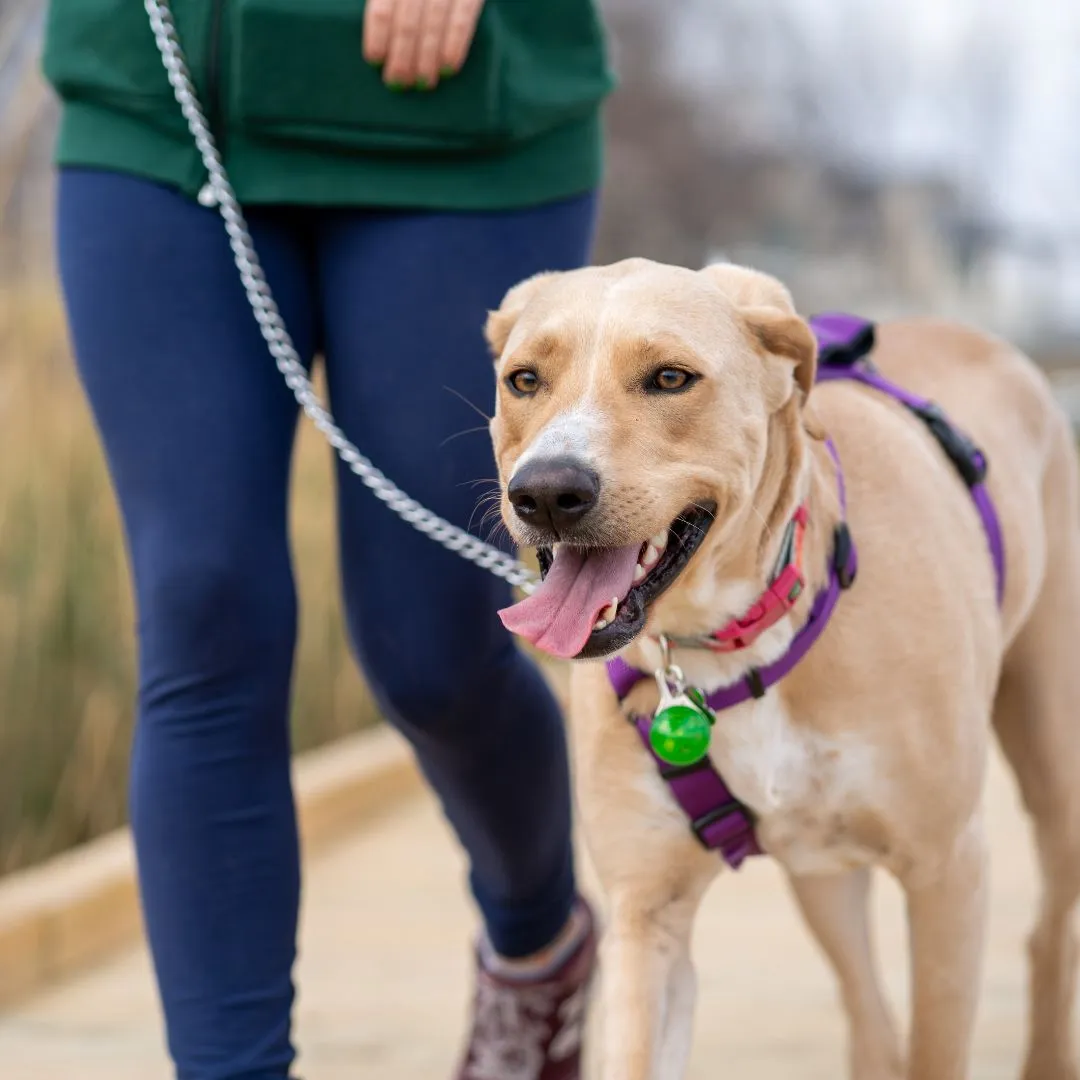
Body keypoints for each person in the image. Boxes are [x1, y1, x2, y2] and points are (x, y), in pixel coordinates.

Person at [40, 0, 614, 1076]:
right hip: (159, 118)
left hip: (460, 125)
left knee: (433, 651)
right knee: (203, 607)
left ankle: (541, 945)